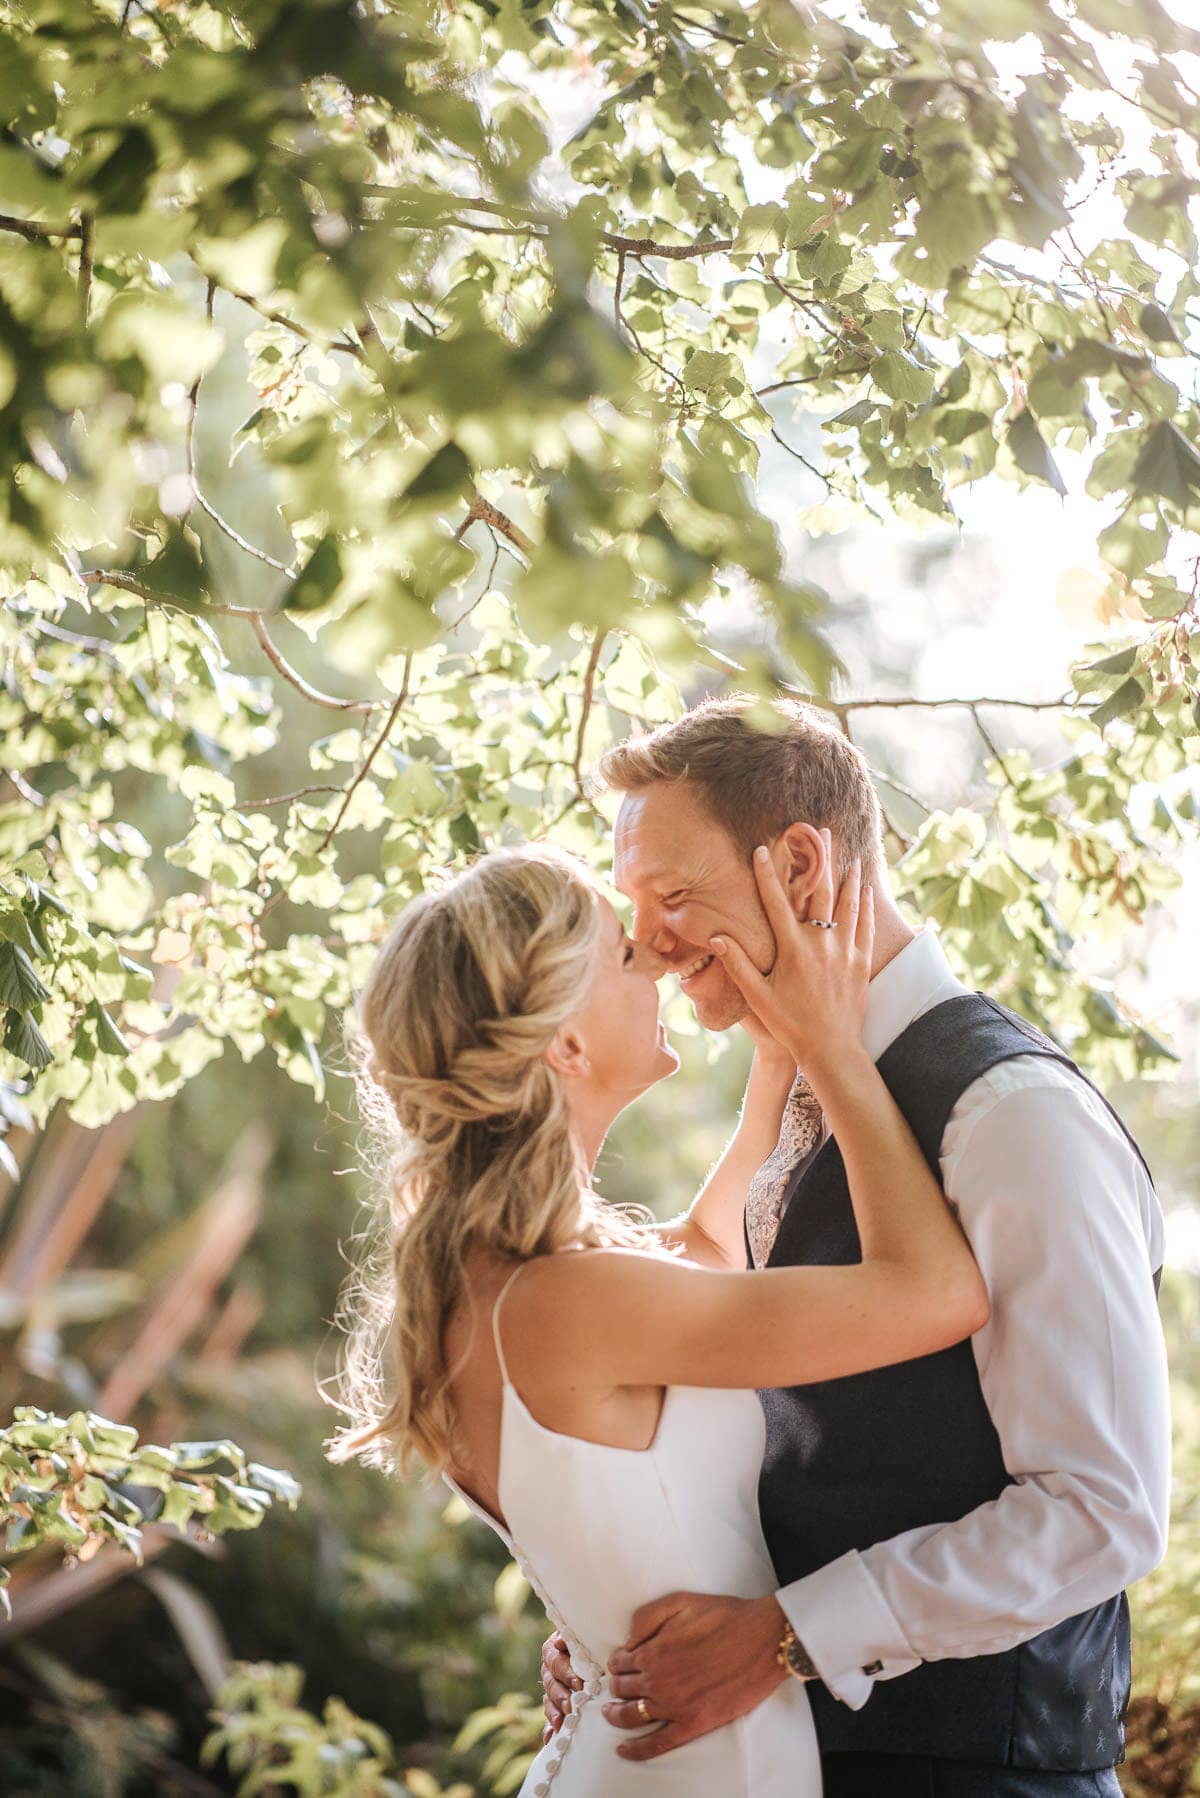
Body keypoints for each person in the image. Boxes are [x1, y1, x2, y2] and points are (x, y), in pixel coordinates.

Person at [541, 695, 1171, 1798]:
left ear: (801, 866)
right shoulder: (793, 1094)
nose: (648, 943)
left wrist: (785, 1635)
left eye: (674, 897)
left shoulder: (1014, 1117)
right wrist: (626, 1626)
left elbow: (1101, 1510)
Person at [326, 834, 990, 1796]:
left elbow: (713, 1250)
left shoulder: (506, 1282)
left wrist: (779, 1049)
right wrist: (832, 1049)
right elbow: (936, 1292)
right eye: (627, 952)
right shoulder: (568, 1299)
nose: (661, 958)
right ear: (566, 1043)